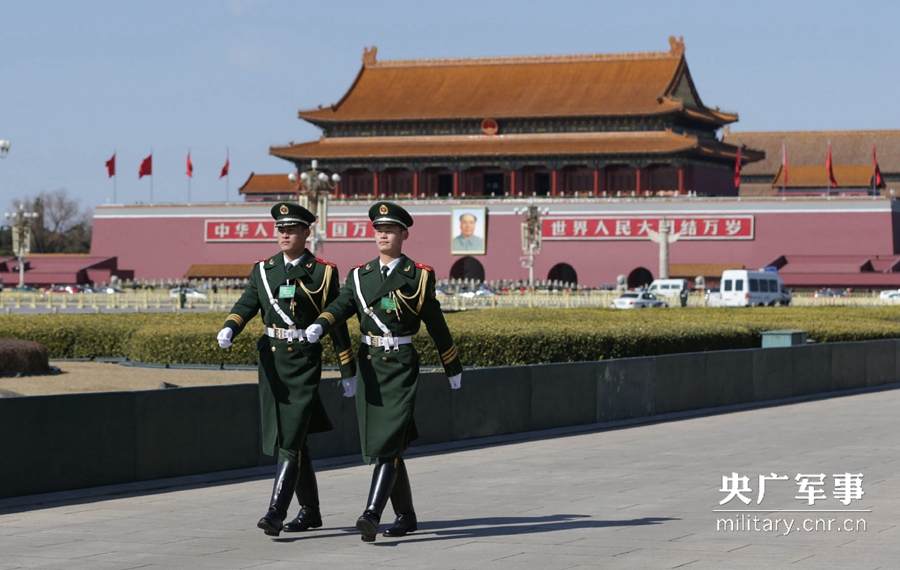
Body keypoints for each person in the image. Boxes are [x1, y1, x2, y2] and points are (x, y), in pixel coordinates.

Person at [305, 201, 463, 543]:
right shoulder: (360, 276)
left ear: (404, 234)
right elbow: (341, 304)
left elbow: (435, 322)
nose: (383, 235)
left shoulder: (419, 275)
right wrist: (321, 324)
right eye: (378, 230)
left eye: (389, 230)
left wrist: (452, 364)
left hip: (401, 365)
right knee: (384, 445)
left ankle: (371, 514)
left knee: (389, 441)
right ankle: (406, 515)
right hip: (370, 366)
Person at [216, 202, 357, 537]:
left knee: (290, 436)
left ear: (307, 233)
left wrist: (346, 366)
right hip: (272, 362)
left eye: (291, 229)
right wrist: (230, 327)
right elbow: (248, 303)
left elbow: (335, 321)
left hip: (303, 360)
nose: (284, 234)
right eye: (280, 228)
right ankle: (310, 511)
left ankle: (276, 510)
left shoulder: (322, 272)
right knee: (292, 437)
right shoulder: (263, 270)